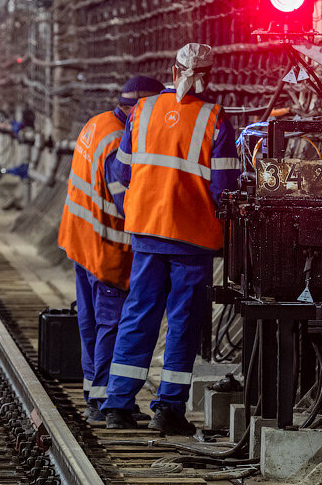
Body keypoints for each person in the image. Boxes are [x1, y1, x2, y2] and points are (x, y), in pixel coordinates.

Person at [103, 43, 240, 433]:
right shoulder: (214, 118)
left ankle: (118, 405)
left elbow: (125, 172)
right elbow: (225, 188)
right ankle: (167, 410)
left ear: (172, 70)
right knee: (182, 322)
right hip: (191, 238)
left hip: (146, 230)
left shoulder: (143, 111)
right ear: (209, 75)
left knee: (138, 313)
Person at [57, 76, 164, 425]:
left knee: (89, 321)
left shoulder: (96, 124)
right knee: (111, 324)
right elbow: (126, 205)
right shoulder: (120, 142)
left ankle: (93, 391)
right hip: (107, 249)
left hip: (80, 239)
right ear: (140, 108)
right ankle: (105, 400)